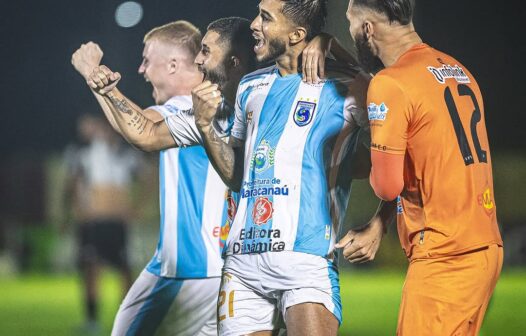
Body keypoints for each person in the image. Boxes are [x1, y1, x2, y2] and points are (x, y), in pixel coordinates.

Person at [193, 1, 394, 335]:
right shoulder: (250, 87)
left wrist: (379, 224)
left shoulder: (347, 87)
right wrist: (205, 127)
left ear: (298, 34)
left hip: (306, 260)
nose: (254, 24)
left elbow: (396, 148)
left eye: (266, 18)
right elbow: (238, 177)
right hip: (243, 264)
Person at [71, 19, 256, 335]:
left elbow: (142, 130)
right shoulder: (220, 105)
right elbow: (137, 128)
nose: (141, 70)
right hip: (191, 267)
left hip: (192, 269)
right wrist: (96, 82)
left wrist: (93, 73)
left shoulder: (188, 107)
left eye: (147, 60)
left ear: (173, 65)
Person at [345, 0, 504, 335]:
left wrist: (371, 119)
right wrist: (380, 222)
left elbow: (386, 185)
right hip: (485, 249)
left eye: (350, 22)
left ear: (367, 29)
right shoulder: (457, 69)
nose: (349, 31)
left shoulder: (389, 84)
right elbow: (422, 165)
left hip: (445, 258)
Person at [62, 113, 139, 334]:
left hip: (117, 222)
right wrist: (77, 210)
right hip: (93, 221)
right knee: (91, 268)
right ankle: (92, 319)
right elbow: (74, 183)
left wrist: (136, 207)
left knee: (124, 269)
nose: (85, 128)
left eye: (89, 123)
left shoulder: (124, 151)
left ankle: (128, 317)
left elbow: (146, 176)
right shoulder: (81, 152)